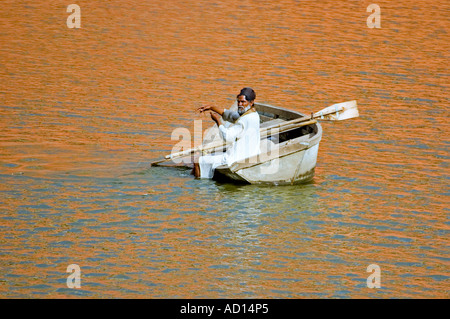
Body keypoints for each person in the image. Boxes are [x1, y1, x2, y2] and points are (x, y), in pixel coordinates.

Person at [193, 87, 261, 179]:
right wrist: (212, 107)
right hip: (250, 154)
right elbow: (231, 116)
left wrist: (218, 122)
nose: (240, 104)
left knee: (197, 161)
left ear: (251, 102)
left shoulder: (245, 119)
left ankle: (198, 185)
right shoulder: (253, 114)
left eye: (243, 102)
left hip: (237, 158)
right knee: (203, 159)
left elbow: (227, 136)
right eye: (238, 101)